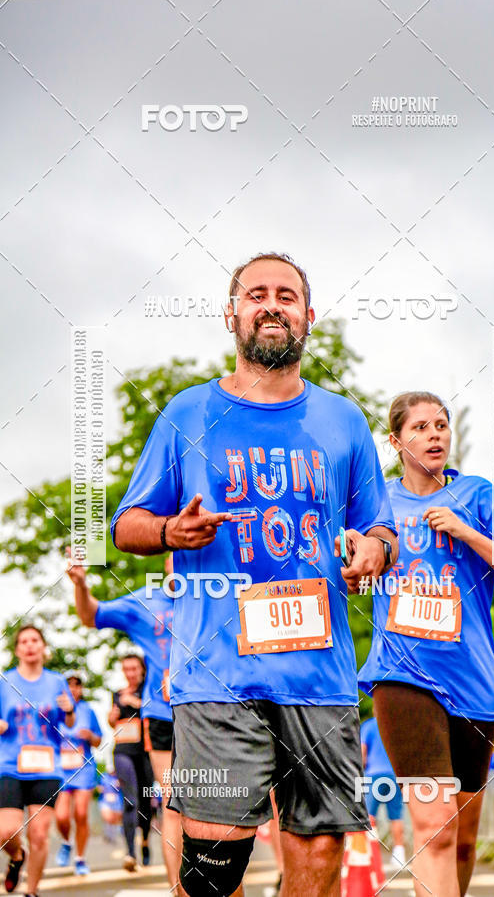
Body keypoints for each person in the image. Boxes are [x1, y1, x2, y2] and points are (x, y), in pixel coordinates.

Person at [111, 251, 398, 897]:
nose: (272, 304)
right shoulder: (187, 414)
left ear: (309, 317)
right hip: (218, 672)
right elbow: (125, 524)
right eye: (256, 293)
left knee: (321, 848)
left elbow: (380, 528)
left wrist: (374, 552)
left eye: (287, 295)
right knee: (214, 863)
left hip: (319, 674)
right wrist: (169, 532)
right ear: (231, 315)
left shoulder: (344, 420)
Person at [359, 391, 494, 897]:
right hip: (403, 676)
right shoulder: (376, 505)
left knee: (460, 840)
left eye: (441, 424)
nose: (434, 433)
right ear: (395, 441)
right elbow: (352, 572)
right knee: (435, 829)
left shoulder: (481, 496)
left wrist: (467, 532)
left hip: (473, 684)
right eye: (419, 427)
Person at [66, 550, 181, 890]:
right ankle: (178, 888)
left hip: (214, 710)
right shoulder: (148, 601)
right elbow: (91, 615)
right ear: (166, 563)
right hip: (163, 715)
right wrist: (81, 584)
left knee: (210, 800)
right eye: (177, 555)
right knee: (175, 801)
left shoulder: (219, 595)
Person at [0, 625, 75, 897]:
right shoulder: (4, 681)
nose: (30, 645)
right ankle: (18, 855)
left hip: (46, 766)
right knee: (5, 831)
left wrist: (68, 712)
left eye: (35, 640)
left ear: (43, 647)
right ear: (18, 649)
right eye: (24, 641)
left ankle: (31, 891)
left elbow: (70, 720)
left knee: (40, 834)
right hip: (10, 765)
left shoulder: (56, 681)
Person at [107, 654, 154, 872]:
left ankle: (144, 840)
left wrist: (135, 702)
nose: (130, 673)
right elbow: (112, 722)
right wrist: (112, 715)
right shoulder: (116, 694)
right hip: (123, 749)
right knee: (130, 800)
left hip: (144, 751)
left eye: (134, 668)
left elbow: (155, 713)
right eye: (126, 669)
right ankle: (130, 853)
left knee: (145, 800)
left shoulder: (148, 689)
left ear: (142, 669)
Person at [54, 672, 102, 875]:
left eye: (77, 685)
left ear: (81, 689)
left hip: (84, 768)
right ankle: (66, 842)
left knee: (81, 814)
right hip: (61, 769)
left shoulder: (88, 710)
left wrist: (89, 735)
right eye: (69, 685)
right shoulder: (55, 710)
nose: (73, 689)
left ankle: (80, 859)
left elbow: (99, 740)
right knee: (61, 816)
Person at [360, 714, 405, 867]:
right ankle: (399, 855)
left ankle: (369, 853)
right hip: (394, 774)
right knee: (396, 816)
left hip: (373, 775)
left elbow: (362, 752)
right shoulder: (397, 724)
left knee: (370, 817)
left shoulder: (368, 725)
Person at [98, 770, 124, 842]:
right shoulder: (103, 776)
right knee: (107, 818)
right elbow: (99, 787)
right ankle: (108, 834)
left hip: (117, 801)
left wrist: (120, 784)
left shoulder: (119, 776)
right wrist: (101, 789)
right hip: (105, 800)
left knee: (114, 820)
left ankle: (113, 836)